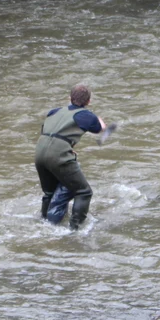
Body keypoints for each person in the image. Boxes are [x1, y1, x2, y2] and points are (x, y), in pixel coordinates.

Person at [34, 84, 106, 230]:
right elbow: (100, 129)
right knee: (84, 192)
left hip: (39, 152)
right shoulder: (86, 115)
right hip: (58, 155)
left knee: (49, 192)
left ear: (70, 98)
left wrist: (67, 147)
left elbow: (48, 131)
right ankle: (75, 230)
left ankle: (44, 224)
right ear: (88, 101)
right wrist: (99, 119)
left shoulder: (54, 112)